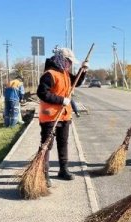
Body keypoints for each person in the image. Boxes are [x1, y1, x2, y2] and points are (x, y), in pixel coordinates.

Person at [37, 47, 88, 187]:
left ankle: (63, 169)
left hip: (64, 116)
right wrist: (61, 100)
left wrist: (83, 70)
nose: (70, 64)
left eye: (71, 62)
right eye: (68, 61)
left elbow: (76, 82)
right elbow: (42, 93)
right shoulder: (49, 74)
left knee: (63, 143)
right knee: (46, 145)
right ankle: (43, 173)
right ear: (61, 59)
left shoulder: (65, 73)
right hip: (50, 117)